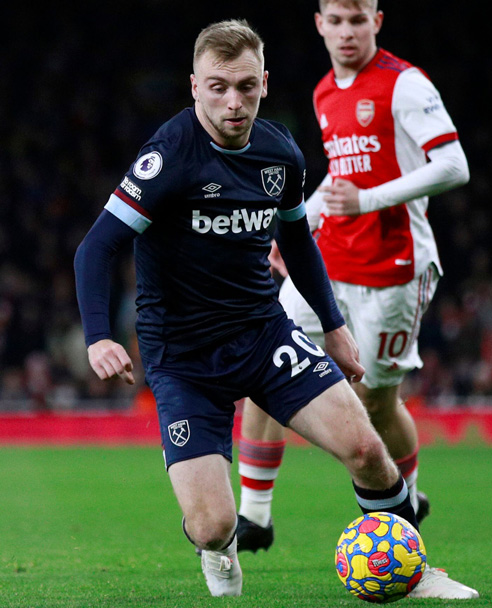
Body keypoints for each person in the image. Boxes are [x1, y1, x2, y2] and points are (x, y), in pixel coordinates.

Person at [73, 20, 422, 597]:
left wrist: (333, 327)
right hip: (182, 356)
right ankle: (219, 548)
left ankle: (413, 571)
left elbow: (299, 241)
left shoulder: (279, 152)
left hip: (263, 335)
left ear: (264, 82)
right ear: (193, 86)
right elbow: (96, 248)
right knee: (213, 525)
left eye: (244, 87)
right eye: (217, 87)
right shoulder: (168, 158)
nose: (233, 103)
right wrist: (97, 336)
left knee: (365, 448)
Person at [233, 0, 477, 598]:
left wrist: (368, 202)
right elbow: (340, 178)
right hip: (329, 262)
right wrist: (291, 229)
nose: (346, 32)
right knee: (262, 367)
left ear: (377, 20)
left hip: (395, 269)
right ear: (318, 23)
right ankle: (256, 516)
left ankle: (404, 511)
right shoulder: (323, 92)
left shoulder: (404, 83)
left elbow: (453, 166)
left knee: (375, 399)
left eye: (357, 20)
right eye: (335, 21)